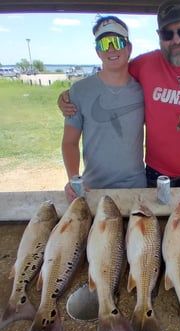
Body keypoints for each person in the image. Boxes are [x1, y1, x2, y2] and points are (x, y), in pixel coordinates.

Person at [58, 0, 180, 188]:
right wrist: (70, 95)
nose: (176, 40)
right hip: (153, 175)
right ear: (159, 36)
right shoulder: (145, 65)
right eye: (167, 34)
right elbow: (113, 72)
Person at [62, 15, 146, 202]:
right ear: (97, 51)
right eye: (104, 43)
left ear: (129, 48)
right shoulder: (79, 90)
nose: (110, 49)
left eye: (116, 41)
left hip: (136, 189)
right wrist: (74, 178)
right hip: (93, 189)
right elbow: (69, 142)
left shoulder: (143, 90)